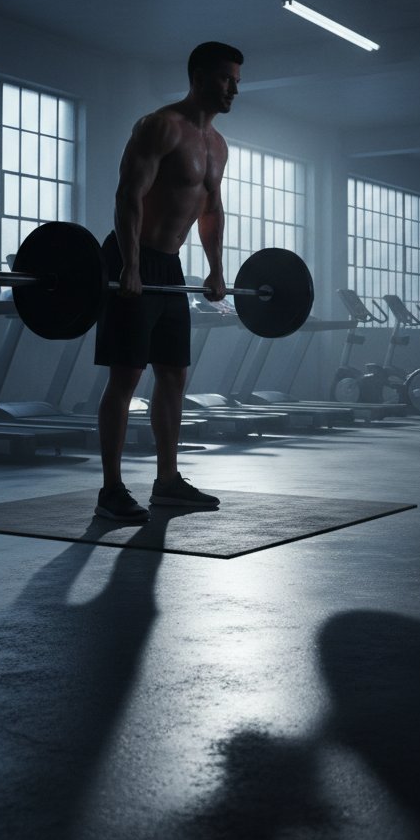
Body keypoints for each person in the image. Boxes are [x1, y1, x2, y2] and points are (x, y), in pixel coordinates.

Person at [94, 42, 242, 523]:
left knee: (174, 374)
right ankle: (111, 490)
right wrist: (130, 264)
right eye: (225, 79)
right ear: (199, 76)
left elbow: (210, 210)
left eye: (237, 80)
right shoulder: (160, 126)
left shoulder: (218, 145)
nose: (233, 89)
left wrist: (216, 268)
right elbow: (128, 194)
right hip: (131, 257)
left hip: (171, 265)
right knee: (126, 376)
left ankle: (167, 481)